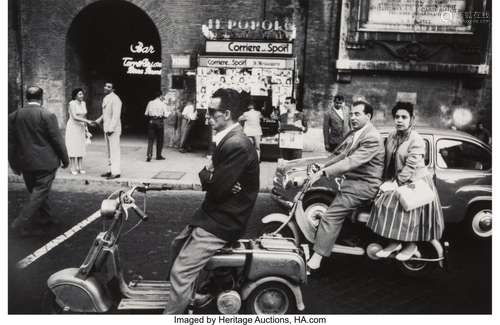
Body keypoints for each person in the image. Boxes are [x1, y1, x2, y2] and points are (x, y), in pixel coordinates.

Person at [164, 88, 260, 314]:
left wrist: (210, 174)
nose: (207, 116)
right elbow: (217, 183)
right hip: (214, 214)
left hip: (223, 220)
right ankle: (191, 295)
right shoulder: (227, 140)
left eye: (211, 111)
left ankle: (172, 316)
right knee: (177, 246)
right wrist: (214, 176)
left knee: (181, 271)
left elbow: (215, 188)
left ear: (226, 114)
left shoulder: (236, 143)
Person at [306, 98, 384, 270]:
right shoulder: (359, 132)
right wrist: (324, 165)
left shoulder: (371, 137)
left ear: (368, 116)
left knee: (330, 216)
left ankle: (316, 260)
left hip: (363, 185)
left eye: (358, 114)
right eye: (351, 114)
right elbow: (343, 155)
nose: (353, 118)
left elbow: (351, 162)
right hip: (354, 183)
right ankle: (345, 239)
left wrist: (324, 173)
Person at [366, 102, 445, 260]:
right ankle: (395, 242)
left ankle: (411, 245)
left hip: (415, 183)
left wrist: (394, 184)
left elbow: (410, 166)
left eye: (404, 117)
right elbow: (387, 159)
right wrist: (384, 179)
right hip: (397, 179)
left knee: (406, 212)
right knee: (383, 204)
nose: (399, 120)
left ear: (412, 119)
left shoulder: (416, 140)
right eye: (396, 117)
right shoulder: (392, 136)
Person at [8, 86, 70, 236]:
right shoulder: (47, 115)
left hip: (25, 163)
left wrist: (13, 164)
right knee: (38, 194)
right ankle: (19, 223)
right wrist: (65, 159)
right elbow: (57, 140)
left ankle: (45, 218)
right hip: (46, 163)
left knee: (37, 193)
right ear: (41, 98)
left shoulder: (14, 116)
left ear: (26, 97)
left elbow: (10, 144)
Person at [94, 81, 122, 179]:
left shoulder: (116, 99)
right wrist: (99, 120)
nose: (106, 88)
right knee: (108, 151)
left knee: (114, 150)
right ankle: (110, 170)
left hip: (113, 129)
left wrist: (111, 128)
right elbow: (106, 113)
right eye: (105, 86)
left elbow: (116, 115)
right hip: (106, 128)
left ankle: (116, 172)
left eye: (109, 87)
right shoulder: (106, 98)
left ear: (113, 89)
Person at [65, 88, 92, 174]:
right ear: (75, 95)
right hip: (73, 126)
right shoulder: (72, 103)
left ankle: (80, 166)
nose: (82, 96)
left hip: (81, 126)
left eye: (82, 94)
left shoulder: (83, 103)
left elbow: (84, 117)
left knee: (81, 145)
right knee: (73, 146)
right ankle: (73, 167)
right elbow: (74, 117)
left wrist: (86, 129)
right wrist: (87, 121)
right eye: (80, 94)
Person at [144, 90, 169, 161]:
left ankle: (149, 154)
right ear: (161, 96)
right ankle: (158, 155)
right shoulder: (163, 104)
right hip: (159, 122)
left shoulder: (150, 103)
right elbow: (166, 115)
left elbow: (146, 114)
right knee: (160, 139)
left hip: (151, 121)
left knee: (150, 139)